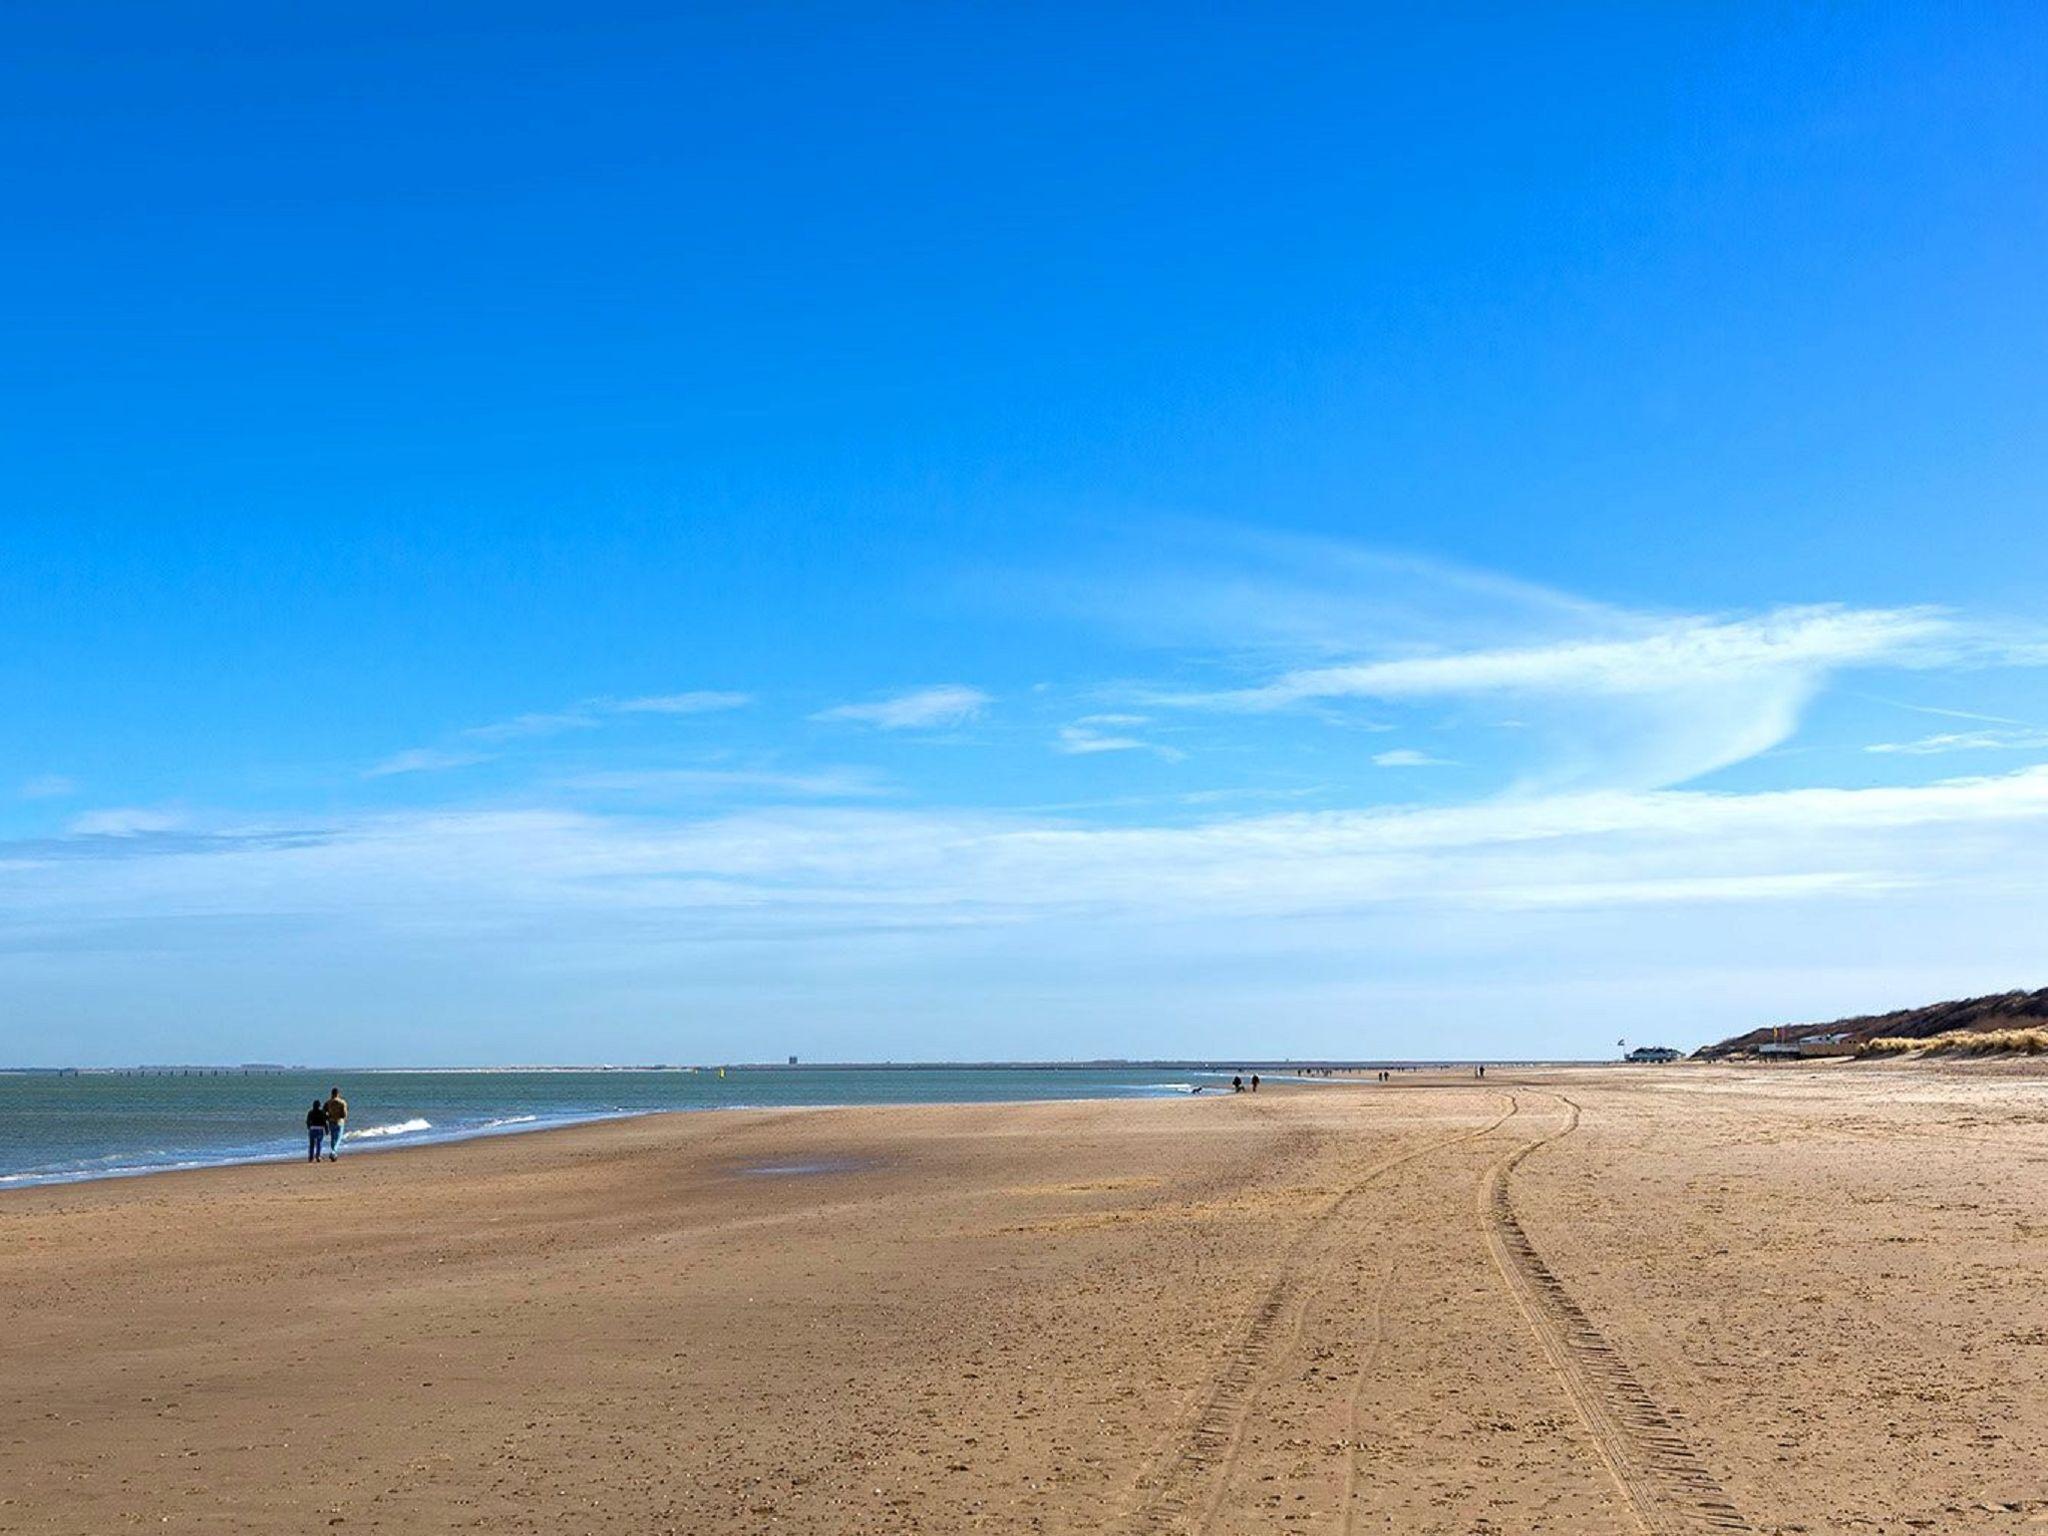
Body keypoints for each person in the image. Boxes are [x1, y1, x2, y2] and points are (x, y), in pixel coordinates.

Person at [323, 1087, 348, 1161]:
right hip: (339, 1122)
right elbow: (344, 1114)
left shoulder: (328, 1102)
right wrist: (344, 1118)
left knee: (333, 1138)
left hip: (331, 1121)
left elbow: (324, 1112)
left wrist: (328, 1117)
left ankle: (334, 1153)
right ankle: (333, 1152)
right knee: (338, 1138)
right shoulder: (342, 1102)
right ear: (338, 1094)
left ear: (332, 1094)